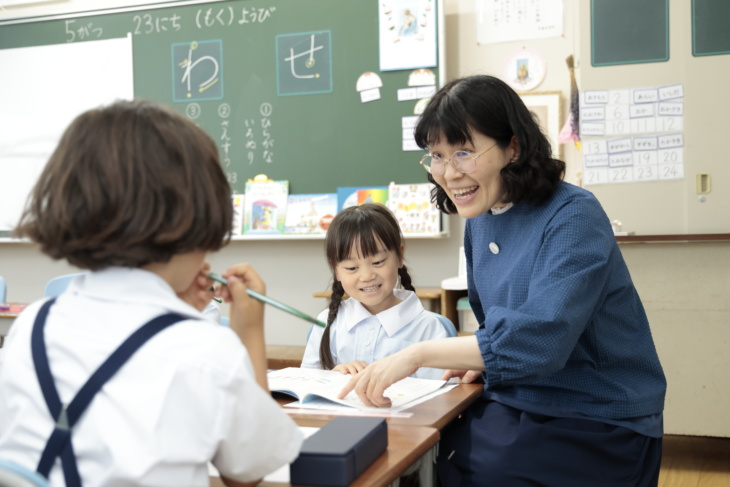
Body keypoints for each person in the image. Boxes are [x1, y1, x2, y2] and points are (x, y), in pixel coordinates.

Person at [338, 75, 667, 486]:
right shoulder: (482, 218)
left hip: (596, 412)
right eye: (436, 156)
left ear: (513, 147)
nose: (449, 172)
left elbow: (541, 339)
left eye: (463, 152)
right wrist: (488, 364)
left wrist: (418, 354)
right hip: (520, 398)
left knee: (476, 471)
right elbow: (499, 327)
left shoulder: (573, 215)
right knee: (419, 451)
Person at [0, 99, 302, 487]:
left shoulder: (30, 326)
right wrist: (249, 331)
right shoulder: (206, 349)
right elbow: (249, 471)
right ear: (190, 216)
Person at [301, 203, 449, 379]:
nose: (366, 276)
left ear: (400, 256)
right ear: (336, 270)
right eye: (351, 267)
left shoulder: (429, 328)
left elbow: (443, 395)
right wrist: (333, 377)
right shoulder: (327, 322)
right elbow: (306, 383)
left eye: (378, 262)